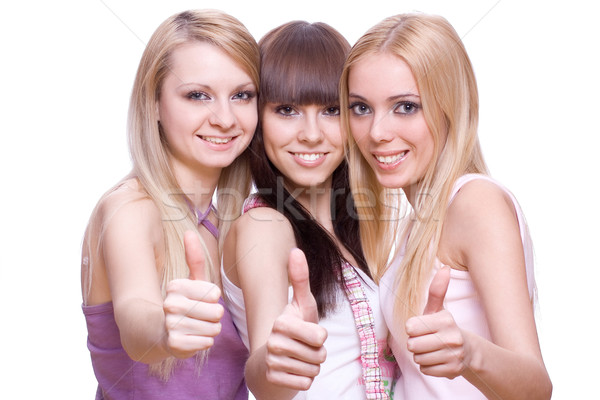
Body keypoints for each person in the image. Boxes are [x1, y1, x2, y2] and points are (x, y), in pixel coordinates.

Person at [340, 13, 552, 400]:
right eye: (361, 108)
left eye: (405, 107)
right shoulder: (416, 224)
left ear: (450, 106)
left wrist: (470, 353)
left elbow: (536, 387)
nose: (377, 132)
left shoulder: (475, 202)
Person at [80, 9, 259, 399]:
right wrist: (164, 329)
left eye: (242, 95)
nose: (225, 118)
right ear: (155, 104)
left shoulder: (227, 223)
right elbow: (136, 318)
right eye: (198, 95)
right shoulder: (130, 209)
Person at [221, 21, 397, 399]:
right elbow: (264, 376)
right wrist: (277, 358)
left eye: (332, 110)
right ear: (258, 119)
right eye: (287, 110)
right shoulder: (264, 224)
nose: (312, 133)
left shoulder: (364, 219)